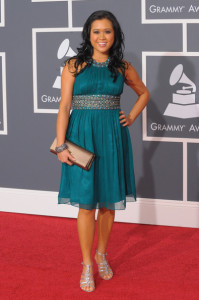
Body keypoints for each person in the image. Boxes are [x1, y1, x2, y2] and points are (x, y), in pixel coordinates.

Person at [56, 10, 150, 292]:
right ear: (88, 34)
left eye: (107, 31)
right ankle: (87, 264)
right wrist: (60, 145)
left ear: (115, 35)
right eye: (96, 31)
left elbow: (143, 93)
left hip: (111, 137)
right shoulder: (73, 65)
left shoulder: (122, 67)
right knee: (86, 204)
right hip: (81, 138)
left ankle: (102, 255)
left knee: (108, 203)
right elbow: (63, 107)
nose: (101, 37)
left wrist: (131, 117)